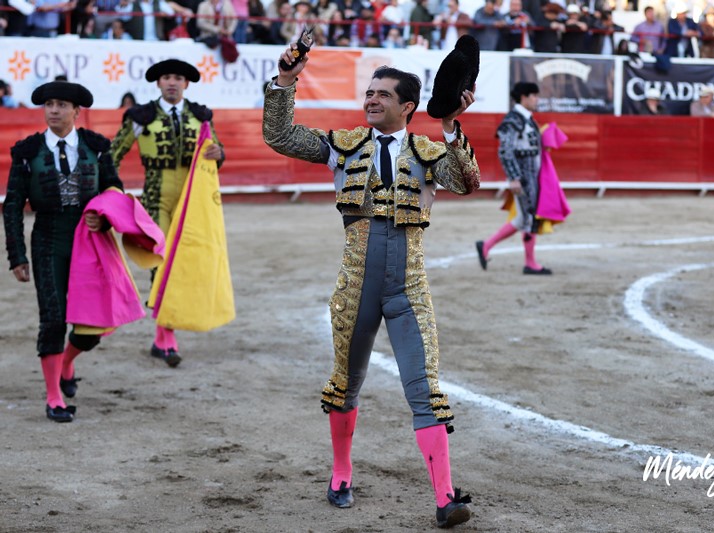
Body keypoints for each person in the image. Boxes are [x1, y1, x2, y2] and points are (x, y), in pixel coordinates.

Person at [262, 45, 480, 528]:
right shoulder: (343, 144)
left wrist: (449, 123)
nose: (371, 100)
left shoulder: (430, 152)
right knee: (346, 384)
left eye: (382, 94)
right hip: (355, 287)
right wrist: (285, 81)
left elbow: (467, 181)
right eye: (369, 92)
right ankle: (342, 471)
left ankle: (445, 497)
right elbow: (278, 135)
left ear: (408, 106)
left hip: (409, 290)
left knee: (425, 390)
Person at [3, 81, 124, 423]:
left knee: (91, 323)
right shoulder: (27, 152)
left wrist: (104, 217)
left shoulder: (96, 147)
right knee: (53, 317)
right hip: (48, 239)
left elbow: (114, 187)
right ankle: (54, 395)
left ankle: (67, 362)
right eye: (49, 104)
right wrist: (17, 255)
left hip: (90, 240)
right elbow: (12, 206)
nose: (53, 110)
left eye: (61, 105)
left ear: (76, 111)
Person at [110, 59, 225, 367]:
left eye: (177, 78)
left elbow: (217, 150)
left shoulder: (201, 115)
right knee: (163, 264)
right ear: (158, 83)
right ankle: (165, 338)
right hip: (155, 201)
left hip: (191, 202)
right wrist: (109, 192)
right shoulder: (140, 116)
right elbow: (113, 155)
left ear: (186, 84)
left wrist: (219, 153)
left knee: (184, 263)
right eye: (166, 78)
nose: (172, 82)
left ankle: (165, 334)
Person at [476, 82, 566, 275]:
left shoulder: (527, 119)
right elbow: (505, 151)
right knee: (529, 217)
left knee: (523, 218)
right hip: (524, 178)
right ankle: (529, 263)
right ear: (523, 97)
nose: (537, 99)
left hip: (533, 176)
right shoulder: (513, 121)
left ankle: (487, 246)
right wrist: (514, 178)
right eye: (534, 95)